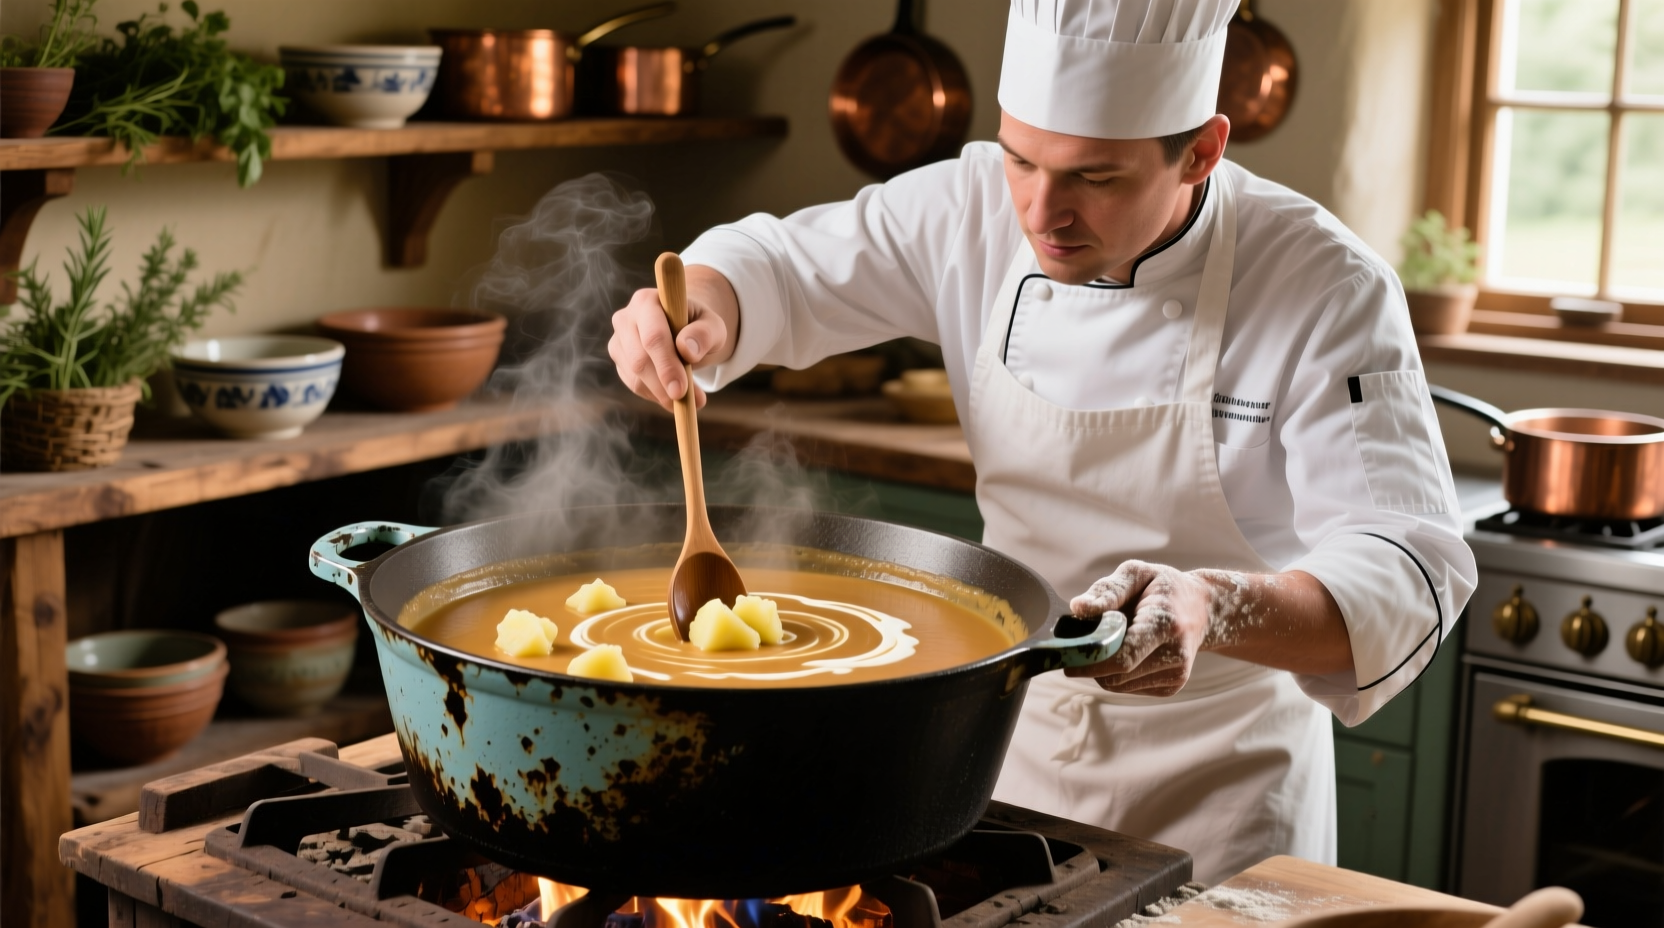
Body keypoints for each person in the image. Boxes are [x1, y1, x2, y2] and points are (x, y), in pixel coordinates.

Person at [609, 0, 1476, 883]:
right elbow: (782, 268)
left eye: (1097, 178)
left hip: (1224, 793)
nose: (1042, 210)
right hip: (1000, 753)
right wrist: (703, 310)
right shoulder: (973, 206)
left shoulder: (1326, 284)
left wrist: (1212, 603)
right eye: (1022, 158)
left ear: (1202, 151)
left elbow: (1408, 569)